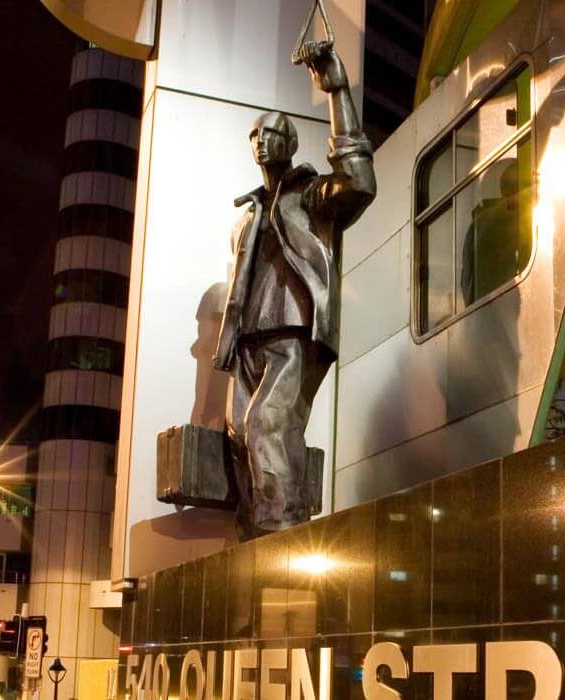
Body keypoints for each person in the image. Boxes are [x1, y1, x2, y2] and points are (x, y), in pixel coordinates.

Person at [213, 39, 376, 536]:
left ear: (291, 144)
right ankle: (260, 534)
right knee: (243, 436)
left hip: (293, 332)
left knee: (268, 426)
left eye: (274, 133)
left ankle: (278, 537)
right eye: (256, 135)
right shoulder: (247, 217)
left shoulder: (310, 196)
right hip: (247, 341)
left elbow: (359, 180)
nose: (263, 141)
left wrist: (337, 91)